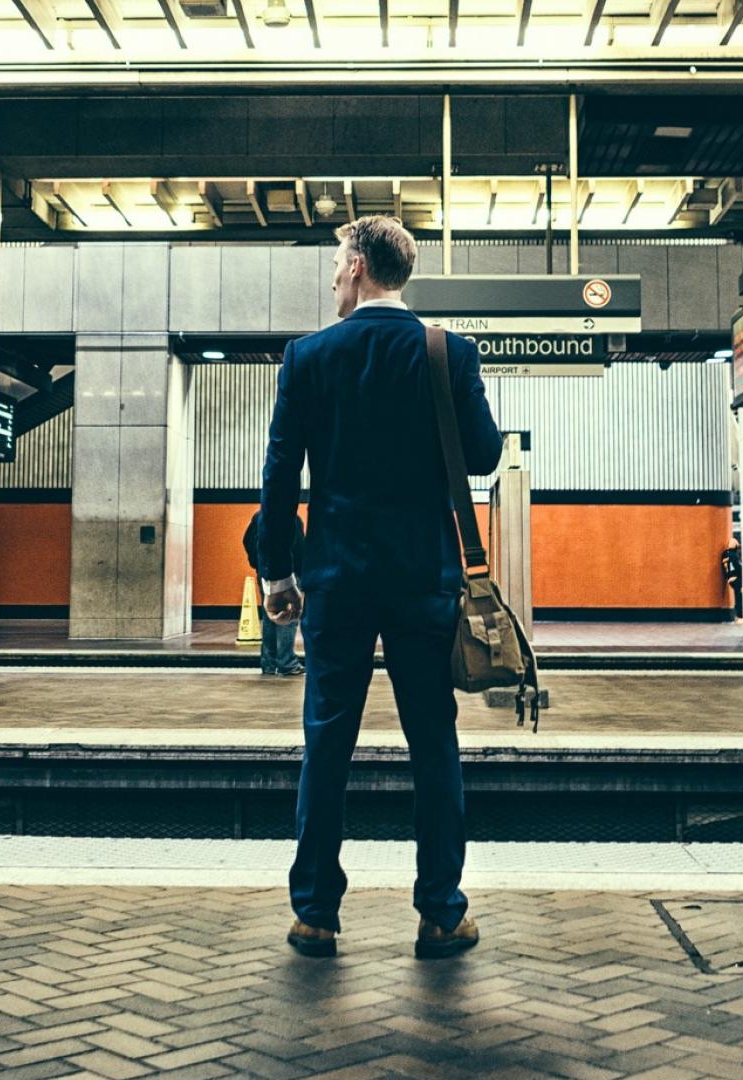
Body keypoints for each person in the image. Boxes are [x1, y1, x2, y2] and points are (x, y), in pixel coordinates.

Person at [257, 216, 501, 960]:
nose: (333, 276)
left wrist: (277, 571)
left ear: (359, 265)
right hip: (424, 580)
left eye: (337, 263)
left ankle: (316, 914)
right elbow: (486, 456)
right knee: (434, 746)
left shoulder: (308, 358)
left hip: (335, 581)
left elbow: (278, 478)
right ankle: (440, 911)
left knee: (326, 743)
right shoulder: (445, 353)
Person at [243, 509, 305, 677]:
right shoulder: (293, 519)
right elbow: (299, 548)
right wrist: (300, 573)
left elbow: (247, 541)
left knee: (270, 617)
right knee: (288, 617)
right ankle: (287, 663)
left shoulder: (257, 517)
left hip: (265, 573)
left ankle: (268, 664)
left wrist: (257, 564)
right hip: (289, 574)